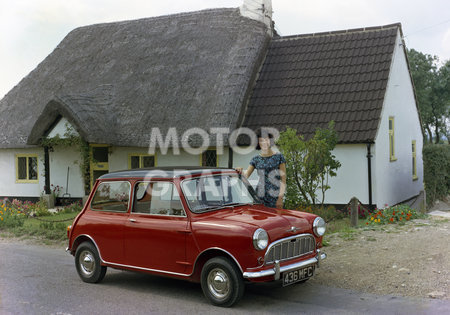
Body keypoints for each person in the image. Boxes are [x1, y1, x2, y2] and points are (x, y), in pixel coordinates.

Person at [236, 129, 286, 209]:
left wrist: (280, 198)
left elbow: (283, 180)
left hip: (275, 196)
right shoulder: (256, 159)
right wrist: (239, 170)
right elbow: (246, 176)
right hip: (259, 196)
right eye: (261, 140)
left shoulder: (279, 157)